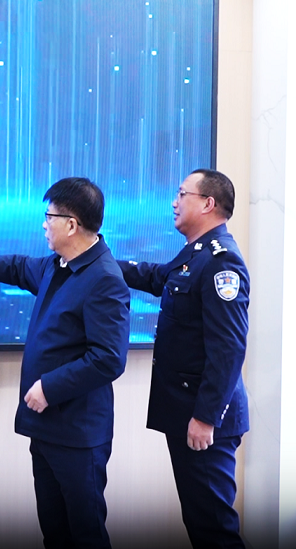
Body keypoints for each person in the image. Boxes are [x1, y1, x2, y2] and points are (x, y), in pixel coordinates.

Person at [0, 177, 130, 549]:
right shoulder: (58, 266)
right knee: (55, 532)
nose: (43, 224)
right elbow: (16, 267)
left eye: (49, 217)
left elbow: (108, 359)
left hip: (77, 434)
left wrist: (49, 387)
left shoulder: (104, 279)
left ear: (71, 225)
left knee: (86, 534)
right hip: (45, 428)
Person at [118, 169, 248, 549]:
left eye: (181, 194)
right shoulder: (196, 254)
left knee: (214, 529)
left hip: (205, 419)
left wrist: (206, 417)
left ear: (208, 203)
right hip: (186, 411)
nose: (174, 202)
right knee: (201, 523)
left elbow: (228, 348)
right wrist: (101, 258)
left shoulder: (221, 262)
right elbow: (156, 277)